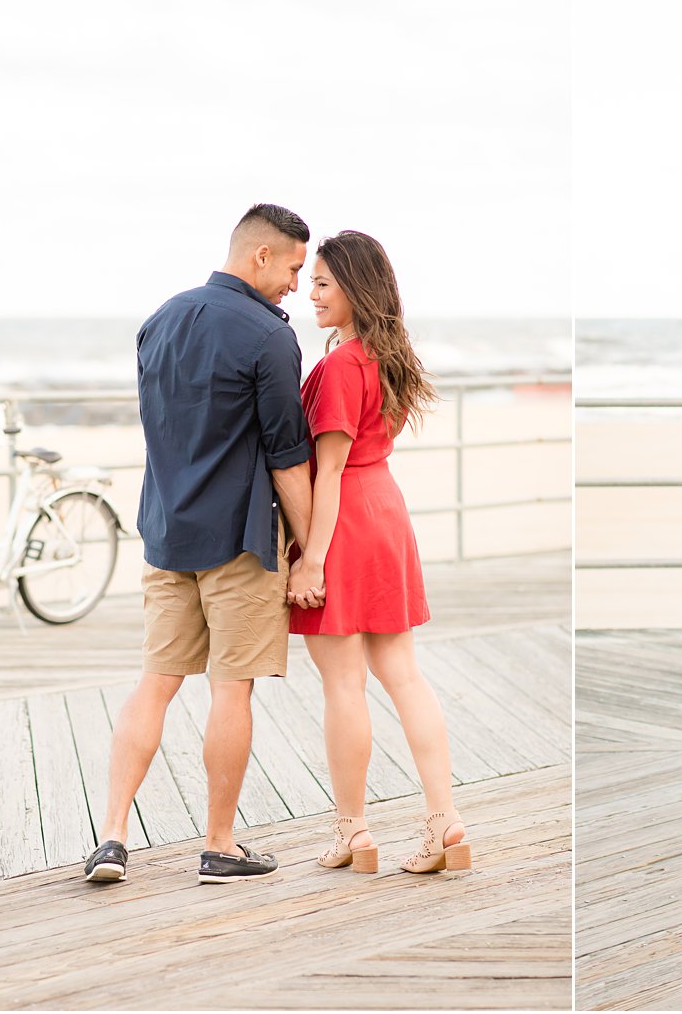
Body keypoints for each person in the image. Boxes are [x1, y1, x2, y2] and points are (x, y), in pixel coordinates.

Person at [83, 203, 315, 885]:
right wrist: (310, 546)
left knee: (155, 683)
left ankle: (113, 835)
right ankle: (220, 843)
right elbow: (287, 455)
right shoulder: (268, 336)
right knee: (230, 690)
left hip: (165, 529)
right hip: (238, 541)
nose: (297, 286)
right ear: (262, 256)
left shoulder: (159, 319)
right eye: (295, 268)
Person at [286, 230, 470, 875]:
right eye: (310, 281)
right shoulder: (388, 356)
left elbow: (328, 472)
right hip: (386, 511)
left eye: (324, 283)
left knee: (344, 683)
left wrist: (309, 558)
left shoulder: (340, 366)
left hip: (345, 524)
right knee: (405, 674)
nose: (312, 292)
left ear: (355, 289)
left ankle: (353, 831)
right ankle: (444, 820)